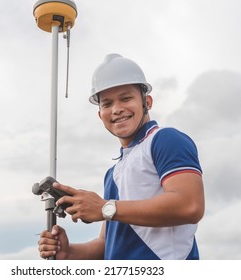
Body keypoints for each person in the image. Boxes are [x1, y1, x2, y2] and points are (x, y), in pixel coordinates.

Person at [38, 53, 205, 260]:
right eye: (107, 104)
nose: (116, 109)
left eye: (126, 98)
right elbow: (107, 244)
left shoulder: (165, 139)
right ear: (100, 114)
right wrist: (68, 252)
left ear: (147, 101)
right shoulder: (113, 172)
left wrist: (105, 207)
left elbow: (189, 205)